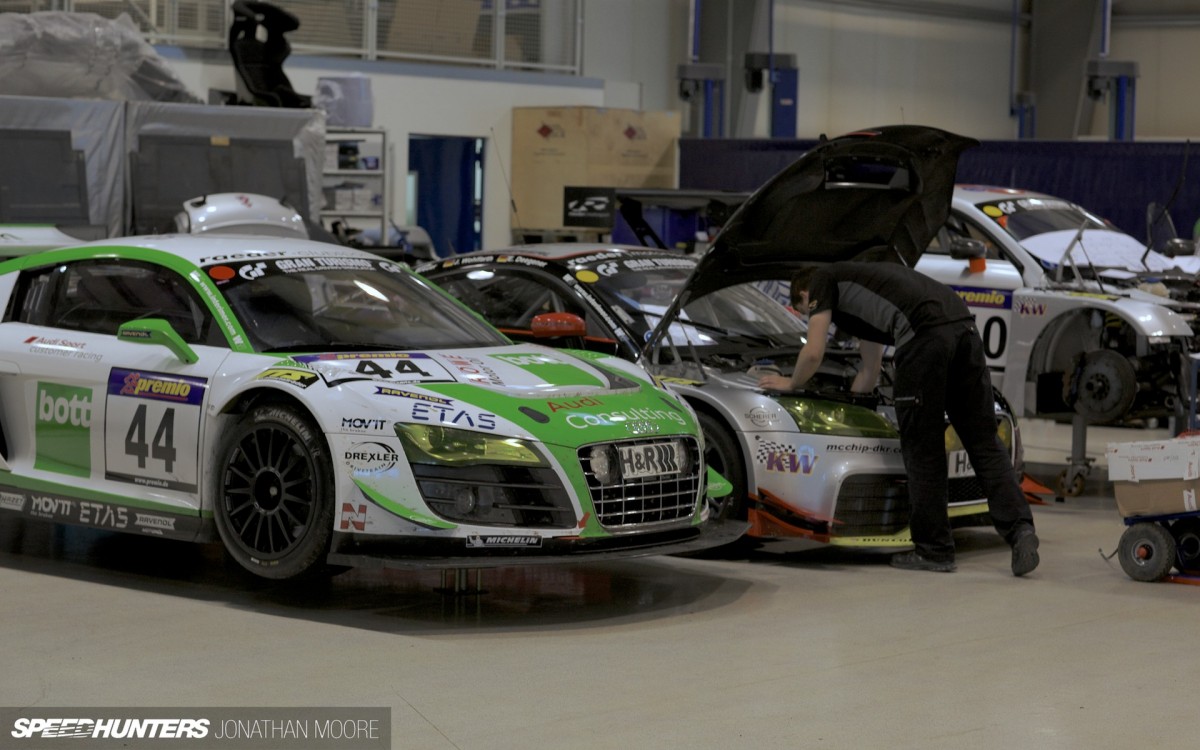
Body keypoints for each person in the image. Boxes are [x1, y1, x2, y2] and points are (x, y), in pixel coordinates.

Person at [758, 261, 1039, 576]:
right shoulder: (867, 284)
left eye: (805, 311)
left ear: (804, 295)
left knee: (923, 450)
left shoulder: (822, 279)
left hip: (924, 338)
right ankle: (1021, 530)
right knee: (983, 441)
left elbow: (813, 352)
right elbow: (870, 369)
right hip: (964, 330)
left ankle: (934, 550)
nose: (812, 316)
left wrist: (790, 383)